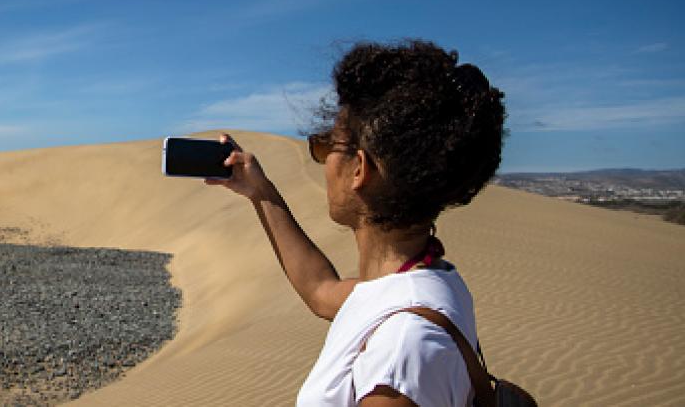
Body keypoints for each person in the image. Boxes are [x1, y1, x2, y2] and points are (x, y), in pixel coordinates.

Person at [207, 39, 506, 407]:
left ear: (359, 169)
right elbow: (321, 290)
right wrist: (260, 191)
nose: (324, 163)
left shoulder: (401, 351)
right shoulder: (430, 280)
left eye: (326, 146)